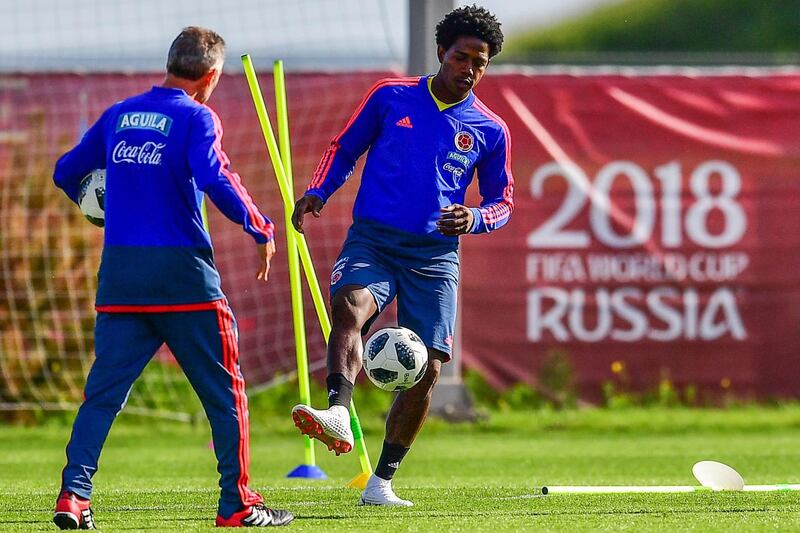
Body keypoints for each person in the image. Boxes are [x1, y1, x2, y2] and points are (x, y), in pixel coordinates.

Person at [52, 27, 293, 529]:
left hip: (121, 279)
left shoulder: (119, 115)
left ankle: (73, 497)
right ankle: (238, 504)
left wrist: (90, 202)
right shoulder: (197, 116)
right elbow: (214, 176)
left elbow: (66, 170)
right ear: (210, 75)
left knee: (102, 395)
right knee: (226, 394)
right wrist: (260, 226)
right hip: (184, 278)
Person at [290, 5, 513, 506]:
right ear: (441, 52)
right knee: (350, 305)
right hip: (375, 239)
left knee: (430, 367)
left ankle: (381, 482)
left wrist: (474, 218)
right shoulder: (391, 96)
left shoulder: (490, 128)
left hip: (435, 257)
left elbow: (503, 202)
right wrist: (319, 191)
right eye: (462, 57)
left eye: (480, 62)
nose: (470, 69)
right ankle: (339, 413)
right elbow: (344, 147)